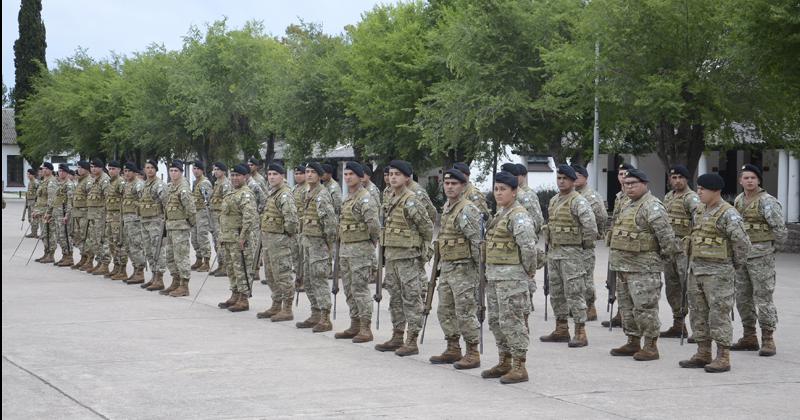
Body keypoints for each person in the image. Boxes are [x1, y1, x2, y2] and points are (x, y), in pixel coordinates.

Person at [680, 173, 751, 373]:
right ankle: (703, 352)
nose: (699, 192)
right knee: (698, 313)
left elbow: (742, 244)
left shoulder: (729, 213)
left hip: (719, 273)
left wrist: (733, 266)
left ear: (716, 191)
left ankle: (723, 356)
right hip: (696, 271)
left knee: (719, 314)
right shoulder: (700, 210)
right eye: (698, 188)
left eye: (703, 189)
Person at [608, 169, 680, 361]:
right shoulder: (627, 205)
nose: (629, 187)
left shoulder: (652, 206)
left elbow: (667, 240)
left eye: (633, 183)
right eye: (626, 183)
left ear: (645, 184)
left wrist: (658, 261)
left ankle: (650, 345)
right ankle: (632, 341)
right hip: (623, 267)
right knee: (627, 307)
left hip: (644, 269)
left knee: (645, 308)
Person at [480, 171, 537, 384]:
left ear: (514, 192)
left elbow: (528, 247)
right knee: (496, 321)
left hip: (512, 279)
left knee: (512, 322)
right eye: (496, 189)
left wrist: (528, 270)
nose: (498, 193)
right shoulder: (500, 214)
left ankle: (519, 366)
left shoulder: (518, 215)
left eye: (503, 189)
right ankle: (504, 360)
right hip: (495, 277)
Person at [374, 160, 434, 356]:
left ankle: (411, 340)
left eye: (397, 174)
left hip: (408, 257)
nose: (392, 177)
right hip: (392, 256)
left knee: (411, 299)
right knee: (395, 299)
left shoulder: (411, 200)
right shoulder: (389, 198)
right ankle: (397, 335)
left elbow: (426, 228)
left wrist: (422, 250)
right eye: (391, 174)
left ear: (407, 178)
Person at [731, 164, 787, 356]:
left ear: (759, 180)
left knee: (763, 298)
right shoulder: (739, 200)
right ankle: (749, 336)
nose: (749, 181)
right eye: (746, 178)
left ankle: (768, 338)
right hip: (742, 257)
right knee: (743, 298)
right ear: (740, 181)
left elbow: (780, 231)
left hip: (761, 257)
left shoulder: (768, 202)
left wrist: (770, 250)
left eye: (753, 178)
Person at [540, 165, 598, 347]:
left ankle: (580, 331)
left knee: (574, 292)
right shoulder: (554, 200)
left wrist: (582, 247)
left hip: (572, 254)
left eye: (565, 178)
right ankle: (561, 328)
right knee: (556, 293)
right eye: (559, 178)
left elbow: (590, 228)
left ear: (573, 181)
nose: (561, 181)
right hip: (555, 253)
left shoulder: (578, 201)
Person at [430, 168, 482, 369]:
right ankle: (453, 347)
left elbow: (477, 241)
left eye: (454, 184)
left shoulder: (466, 209)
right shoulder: (448, 207)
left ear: (463, 186)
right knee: (445, 309)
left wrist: (479, 270)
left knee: (465, 311)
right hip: (448, 267)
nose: (449, 187)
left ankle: (472, 351)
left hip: (464, 269)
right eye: (447, 183)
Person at [334, 162, 380, 343]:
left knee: (360, 290)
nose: (347, 178)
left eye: (351, 174)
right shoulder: (348, 198)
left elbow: (374, 226)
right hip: (346, 248)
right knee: (349, 289)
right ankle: (355, 323)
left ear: (360, 177)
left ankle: (365, 328)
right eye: (345, 174)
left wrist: (370, 242)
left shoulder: (365, 198)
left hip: (361, 250)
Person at [296, 162, 339, 332]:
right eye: (307, 172)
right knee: (308, 279)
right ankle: (315, 313)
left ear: (320, 175)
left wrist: (328, 244)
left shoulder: (322, 194)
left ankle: (325, 317)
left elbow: (329, 223)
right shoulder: (308, 192)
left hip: (319, 244)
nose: (309, 175)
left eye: (313, 172)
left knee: (319, 280)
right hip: (308, 242)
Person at [254, 163, 299, 320]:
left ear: (283, 176)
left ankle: (287, 308)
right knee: (271, 274)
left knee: (283, 275)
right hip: (268, 240)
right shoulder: (273, 193)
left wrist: (285, 235)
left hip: (279, 241)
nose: (271, 177)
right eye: (270, 174)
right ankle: (276, 304)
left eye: (275, 174)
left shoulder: (285, 195)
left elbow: (292, 220)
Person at [660, 165, 700, 338]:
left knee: (689, 289)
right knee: (672, 289)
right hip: (669, 250)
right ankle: (678, 324)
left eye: (680, 178)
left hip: (684, 251)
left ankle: (698, 329)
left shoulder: (692, 198)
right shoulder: (668, 197)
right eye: (673, 178)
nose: (677, 181)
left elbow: (699, 222)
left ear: (687, 179)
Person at [218, 164, 259, 312]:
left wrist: (243, 238)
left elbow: (249, 218)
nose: (234, 178)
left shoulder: (246, 194)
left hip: (239, 239)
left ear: (245, 177)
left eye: (238, 176)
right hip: (228, 237)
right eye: (233, 175)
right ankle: (235, 294)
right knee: (231, 268)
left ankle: (244, 298)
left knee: (242, 268)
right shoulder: (231, 193)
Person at [572, 163, 608, 321]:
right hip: (573, 244)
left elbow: (601, 216)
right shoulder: (573, 195)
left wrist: (594, 233)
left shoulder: (590, 195)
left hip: (585, 244)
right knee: (574, 278)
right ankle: (578, 307)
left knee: (586, 278)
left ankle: (590, 307)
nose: (574, 179)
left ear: (585, 178)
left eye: (577, 176)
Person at [602, 162, 636, 328]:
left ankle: (627, 314)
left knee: (627, 281)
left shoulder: (633, 196)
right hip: (616, 243)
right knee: (614, 279)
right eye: (621, 174)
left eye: (626, 174)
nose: (623, 178)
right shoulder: (619, 197)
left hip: (628, 246)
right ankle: (620, 313)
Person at [161, 160, 197, 297]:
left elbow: (191, 209)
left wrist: (189, 224)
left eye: (176, 171)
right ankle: (175, 281)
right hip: (170, 226)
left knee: (181, 256)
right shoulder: (170, 187)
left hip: (180, 227)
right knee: (170, 256)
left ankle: (184, 285)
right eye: (171, 170)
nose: (173, 173)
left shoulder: (183, 188)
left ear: (181, 172)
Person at [139, 160, 168, 291]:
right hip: (144, 221)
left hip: (156, 222)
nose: (149, 170)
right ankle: (153, 276)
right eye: (147, 168)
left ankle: (159, 278)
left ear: (156, 170)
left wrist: (164, 219)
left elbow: (166, 203)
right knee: (148, 250)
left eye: (152, 168)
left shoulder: (159, 185)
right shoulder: (145, 185)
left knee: (158, 250)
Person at [82, 159, 111, 274]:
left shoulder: (105, 180)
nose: (93, 169)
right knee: (94, 240)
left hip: (101, 216)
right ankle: (99, 262)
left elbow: (108, 199)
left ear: (101, 168)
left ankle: (105, 264)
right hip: (92, 215)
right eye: (91, 167)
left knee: (102, 240)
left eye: (95, 167)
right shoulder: (94, 180)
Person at [120, 162, 147, 284]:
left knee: (136, 246)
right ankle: (136, 269)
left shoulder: (139, 184)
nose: (126, 173)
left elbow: (144, 200)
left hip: (135, 220)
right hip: (127, 219)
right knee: (129, 246)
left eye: (128, 171)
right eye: (125, 171)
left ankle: (140, 272)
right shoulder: (127, 184)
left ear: (134, 172)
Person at [104, 161, 127, 280]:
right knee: (112, 244)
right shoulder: (109, 182)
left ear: (119, 170)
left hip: (118, 217)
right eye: (109, 168)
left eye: (113, 169)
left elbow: (125, 198)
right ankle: (116, 266)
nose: (111, 171)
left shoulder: (121, 182)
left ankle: (122, 269)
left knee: (119, 243)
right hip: (109, 216)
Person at [209, 162, 232, 277]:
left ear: (223, 171)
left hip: (220, 216)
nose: (215, 171)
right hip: (214, 216)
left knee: (221, 241)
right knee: (216, 241)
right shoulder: (217, 183)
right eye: (214, 169)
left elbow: (227, 201)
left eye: (218, 169)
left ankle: (225, 266)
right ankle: (220, 264)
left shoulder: (226, 184)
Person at [32, 162, 58, 263]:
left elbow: (51, 200)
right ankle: (46, 253)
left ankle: (51, 255)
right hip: (41, 212)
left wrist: (48, 213)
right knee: (44, 234)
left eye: (44, 169)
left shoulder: (52, 182)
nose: (42, 170)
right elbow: (39, 198)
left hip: (47, 213)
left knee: (49, 234)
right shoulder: (43, 181)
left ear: (50, 170)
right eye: (42, 169)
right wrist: (35, 210)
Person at [190, 161, 213, 273]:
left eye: (197, 169)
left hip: (203, 213)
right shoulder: (195, 182)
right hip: (195, 212)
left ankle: (207, 261)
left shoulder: (205, 183)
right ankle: (198, 259)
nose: (195, 171)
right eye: (194, 168)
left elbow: (208, 199)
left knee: (202, 237)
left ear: (202, 170)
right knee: (194, 238)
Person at [52, 164, 75, 266]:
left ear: (66, 172)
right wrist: (49, 213)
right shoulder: (59, 184)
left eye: (62, 171)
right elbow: (55, 200)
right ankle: (64, 255)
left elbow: (70, 201)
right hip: (57, 214)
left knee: (65, 236)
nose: (60, 173)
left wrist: (67, 215)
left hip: (64, 214)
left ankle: (69, 257)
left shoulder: (69, 185)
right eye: (59, 171)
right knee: (59, 237)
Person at [70, 161, 92, 269]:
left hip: (85, 214)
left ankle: (89, 259)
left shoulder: (88, 181)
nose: (79, 170)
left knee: (86, 236)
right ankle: (83, 257)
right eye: (78, 167)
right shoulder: (80, 181)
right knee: (78, 237)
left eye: (81, 168)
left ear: (87, 169)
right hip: (77, 213)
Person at [24, 168, 40, 238]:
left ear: (32, 175)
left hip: (34, 202)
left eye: (28, 174)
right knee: (30, 218)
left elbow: (39, 193)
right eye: (27, 174)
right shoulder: (30, 182)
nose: (27, 175)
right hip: (29, 202)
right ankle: (33, 232)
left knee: (34, 218)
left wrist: (37, 202)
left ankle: (34, 233)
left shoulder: (35, 182)